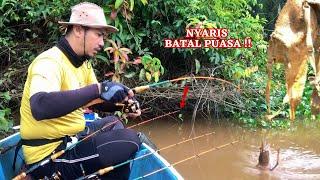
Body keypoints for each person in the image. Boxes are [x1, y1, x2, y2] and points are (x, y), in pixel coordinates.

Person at [19, 2, 145, 179]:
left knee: (113, 123)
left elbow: (95, 101)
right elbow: (40, 106)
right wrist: (99, 88)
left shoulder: (82, 62)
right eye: (99, 35)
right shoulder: (49, 62)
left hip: (71, 136)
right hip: (48, 157)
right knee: (129, 140)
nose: (102, 43)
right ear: (78, 29)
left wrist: (122, 106)